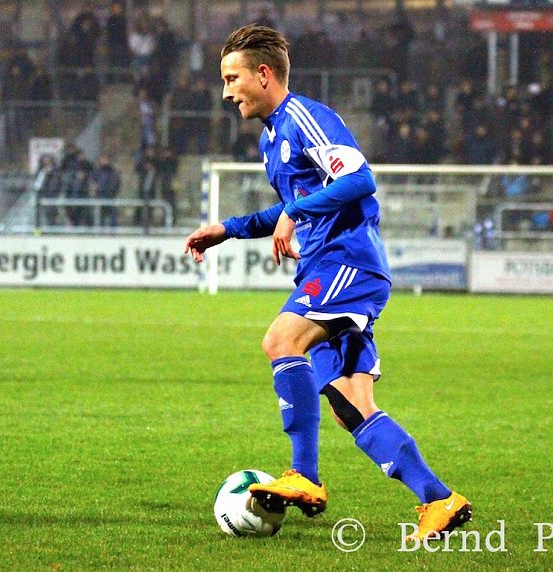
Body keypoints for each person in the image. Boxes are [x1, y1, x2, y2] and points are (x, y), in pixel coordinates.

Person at [182, 25, 471, 541]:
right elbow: (297, 202)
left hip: (347, 262)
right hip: (333, 267)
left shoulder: (305, 118)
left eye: (232, 78)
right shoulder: (273, 138)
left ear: (263, 74)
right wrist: (229, 229)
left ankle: (305, 477)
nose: (226, 92)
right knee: (350, 405)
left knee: (280, 340)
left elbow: (359, 179)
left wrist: (294, 211)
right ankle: (439, 500)